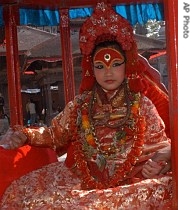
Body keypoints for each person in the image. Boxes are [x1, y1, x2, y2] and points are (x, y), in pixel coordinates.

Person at [0, 3, 172, 209]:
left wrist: (158, 165)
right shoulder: (82, 105)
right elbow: (55, 134)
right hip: (81, 177)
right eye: (100, 66)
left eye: (115, 64)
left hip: (130, 180)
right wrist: (25, 135)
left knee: (164, 189)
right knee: (24, 193)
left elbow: (162, 146)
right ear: (92, 70)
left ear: (127, 65)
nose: (108, 72)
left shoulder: (142, 104)